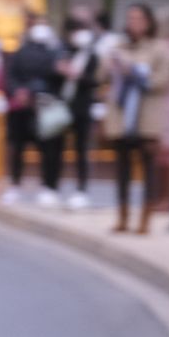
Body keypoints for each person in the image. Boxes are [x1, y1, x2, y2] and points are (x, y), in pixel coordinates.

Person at [100, 3, 169, 234]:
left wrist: (137, 73)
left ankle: (145, 218)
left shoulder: (159, 48)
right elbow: (101, 75)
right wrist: (112, 65)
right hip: (122, 117)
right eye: (130, 17)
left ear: (149, 21)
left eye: (138, 18)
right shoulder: (117, 47)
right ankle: (122, 216)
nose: (133, 22)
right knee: (122, 168)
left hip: (146, 117)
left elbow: (164, 79)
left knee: (148, 169)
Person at [3, 21, 67, 206]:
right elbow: (10, 78)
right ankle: (15, 186)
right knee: (18, 149)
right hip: (23, 110)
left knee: (49, 151)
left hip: (47, 107)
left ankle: (49, 187)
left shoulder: (56, 53)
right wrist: (18, 91)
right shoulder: (20, 53)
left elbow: (60, 80)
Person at [58, 12, 103, 210]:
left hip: (82, 109)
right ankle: (53, 187)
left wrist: (79, 76)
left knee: (81, 150)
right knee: (56, 149)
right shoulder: (64, 52)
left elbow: (96, 81)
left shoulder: (93, 56)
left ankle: (81, 189)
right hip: (62, 107)